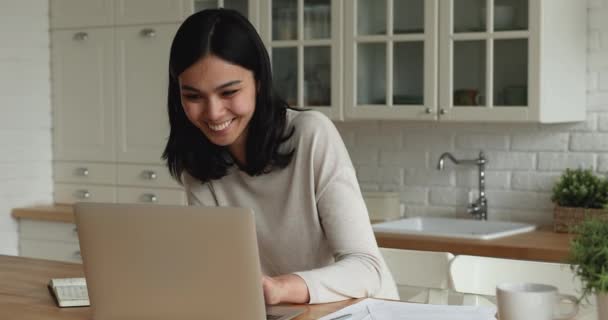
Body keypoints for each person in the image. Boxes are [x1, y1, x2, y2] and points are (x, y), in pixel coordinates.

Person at [163, 8, 399, 305]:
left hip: (361, 311)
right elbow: (221, 272)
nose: (212, 113)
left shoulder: (311, 135)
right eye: (193, 96)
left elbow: (367, 269)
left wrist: (282, 288)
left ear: (259, 82)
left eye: (228, 92)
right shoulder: (197, 164)